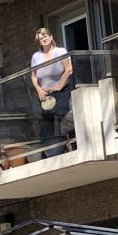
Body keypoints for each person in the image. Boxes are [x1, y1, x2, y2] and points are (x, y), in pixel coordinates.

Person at [30, 28, 73, 157]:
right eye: (41, 38)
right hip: (45, 95)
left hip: (61, 92)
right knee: (45, 122)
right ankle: (50, 151)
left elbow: (68, 69)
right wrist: (39, 90)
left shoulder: (60, 52)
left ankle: (69, 145)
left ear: (51, 36)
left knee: (61, 117)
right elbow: (33, 76)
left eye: (45, 36)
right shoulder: (36, 57)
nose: (44, 39)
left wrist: (60, 86)